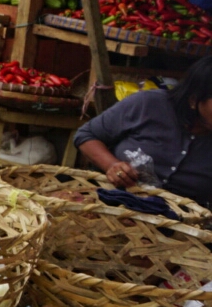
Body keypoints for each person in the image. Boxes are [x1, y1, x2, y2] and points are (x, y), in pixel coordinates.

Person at [76, 56, 212, 209]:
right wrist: (112, 165)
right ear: (194, 99)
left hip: (179, 224)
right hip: (109, 207)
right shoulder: (148, 104)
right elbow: (87, 135)